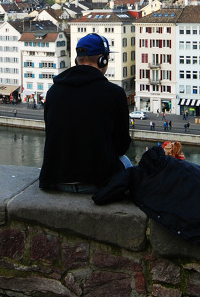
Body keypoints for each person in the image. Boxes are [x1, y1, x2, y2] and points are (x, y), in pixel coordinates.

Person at [39, 33, 132, 193]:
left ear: (77, 60)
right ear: (103, 59)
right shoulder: (114, 93)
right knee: (127, 162)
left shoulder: (53, 91)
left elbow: (51, 134)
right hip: (98, 183)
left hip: (56, 180)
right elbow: (121, 146)